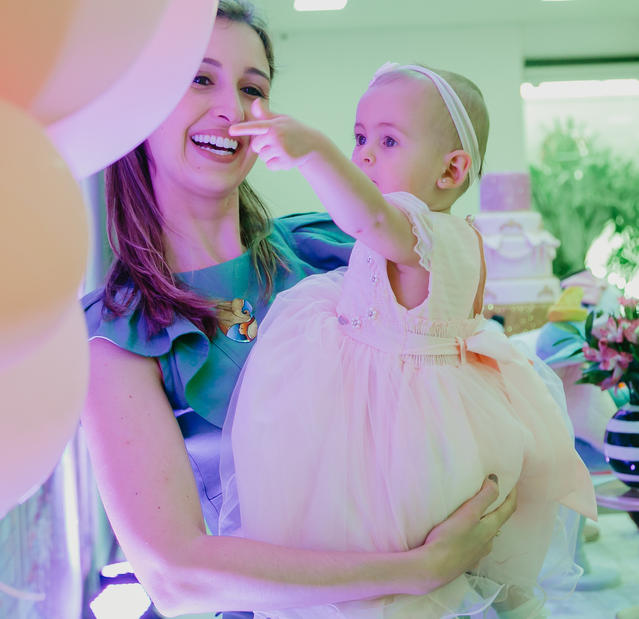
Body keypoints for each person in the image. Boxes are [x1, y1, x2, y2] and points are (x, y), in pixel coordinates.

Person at [80, 0, 517, 618]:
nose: (233, 110)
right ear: (141, 102)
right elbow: (177, 575)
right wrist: (418, 570)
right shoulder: (120, 335)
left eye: (252, 89)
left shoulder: (332, 247)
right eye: (199, 78)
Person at [219, 62, 599, 619]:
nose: (365, 155)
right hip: (414, 405)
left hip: (395, 429)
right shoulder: (461, 234)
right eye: (359, 138)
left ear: (451, 170)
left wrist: (314, 152)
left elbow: (367, 220)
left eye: (389, 141)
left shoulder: (420, 230)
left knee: (382, 565)